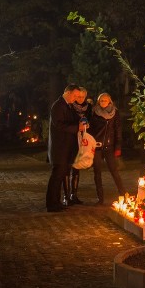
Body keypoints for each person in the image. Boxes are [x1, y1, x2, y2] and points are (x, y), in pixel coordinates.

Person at [46, 84, 85, 212]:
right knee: (56, 176)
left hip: (66, 148)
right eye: (74, 95)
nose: (75, 98)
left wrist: (82, 122)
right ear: (68, 93)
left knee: (60, 175)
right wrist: (76, 128)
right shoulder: (58, 106)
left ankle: (56, 202)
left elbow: (72, 120)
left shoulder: (68, 106)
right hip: (60, 148)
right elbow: (59, 125)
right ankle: (51, 204)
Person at [88, 93, 127, 206]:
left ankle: (123, 193)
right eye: (101, 100)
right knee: (97, 172)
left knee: (114, 171)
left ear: (110, 101)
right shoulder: (94, 112)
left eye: (105, 100)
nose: (103, 102)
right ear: (98, 102)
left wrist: (118, 146)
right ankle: (100, 198)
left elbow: (118, 130)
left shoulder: (115, 113)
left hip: (109, 146)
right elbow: (91, 129)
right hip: (97, 146)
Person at [65, 92, 91, 205]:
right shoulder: (70, 107)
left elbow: (91, 121)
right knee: (67, 168)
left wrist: (87, 125)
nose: (80, 99)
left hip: (81, 139)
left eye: (82, 96)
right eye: (78, 96)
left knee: (76, 168)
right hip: (69, 139)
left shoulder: (88, 108)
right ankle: (66, 196)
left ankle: (73, 194)